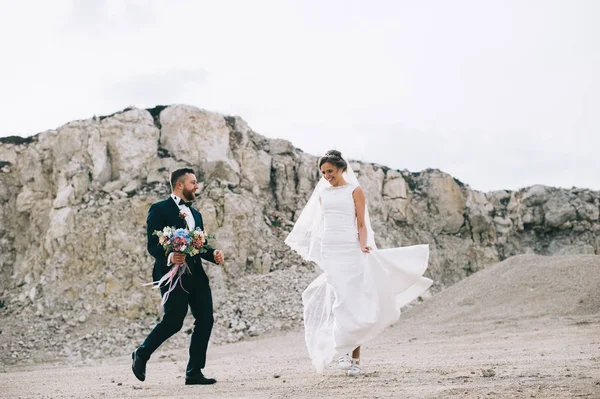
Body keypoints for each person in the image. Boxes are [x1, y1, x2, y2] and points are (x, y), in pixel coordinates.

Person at [285, 150, 432, 376]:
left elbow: (361, 224)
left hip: (350, 249)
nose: (327, 176)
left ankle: (355, 360)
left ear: (341, 168)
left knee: (353, 301)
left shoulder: (355, 191)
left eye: (330, 171)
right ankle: (344, 354)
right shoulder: (323, 194)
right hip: (331, 251)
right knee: (341, 301)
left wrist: (364, 245)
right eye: (323, 172)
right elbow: (320, 225)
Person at [132, 168, 225, 385]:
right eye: (193, 182)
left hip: (197, 276)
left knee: (206, 319)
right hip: (172, 275)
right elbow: (153, 244)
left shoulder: (197, 214)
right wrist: (171, 255)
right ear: (180, 185)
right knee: (173, 322)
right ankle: (141, 354)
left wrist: (213, 254)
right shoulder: (159, 209)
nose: (197, 186)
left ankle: (194, 372)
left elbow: (199, 246)